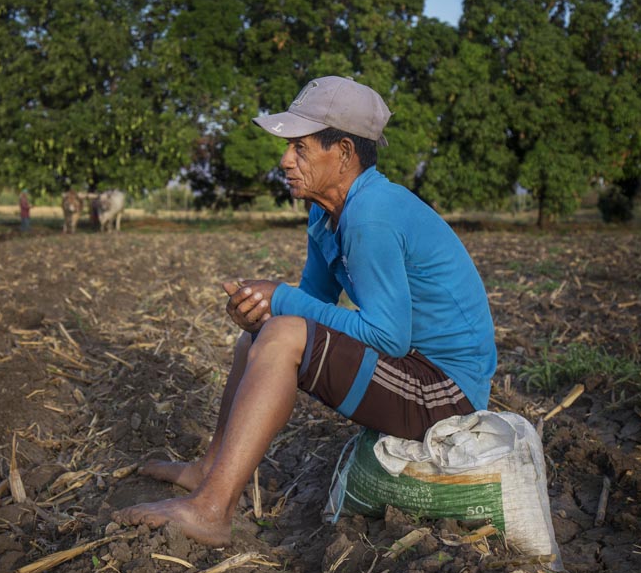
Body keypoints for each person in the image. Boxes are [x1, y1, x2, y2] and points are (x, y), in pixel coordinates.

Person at [112, 75, 497, 547]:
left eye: (300, 147)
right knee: (262, 334)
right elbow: (313, 303)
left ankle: (212, 511)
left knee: (281, 333)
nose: (284, 160)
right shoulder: (325, 213)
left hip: (445, 392)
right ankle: (208, 472)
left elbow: (388, 337)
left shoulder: (372, 214)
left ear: (343, 154)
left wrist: (281, 299)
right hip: (411, 371)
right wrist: (264, 310)